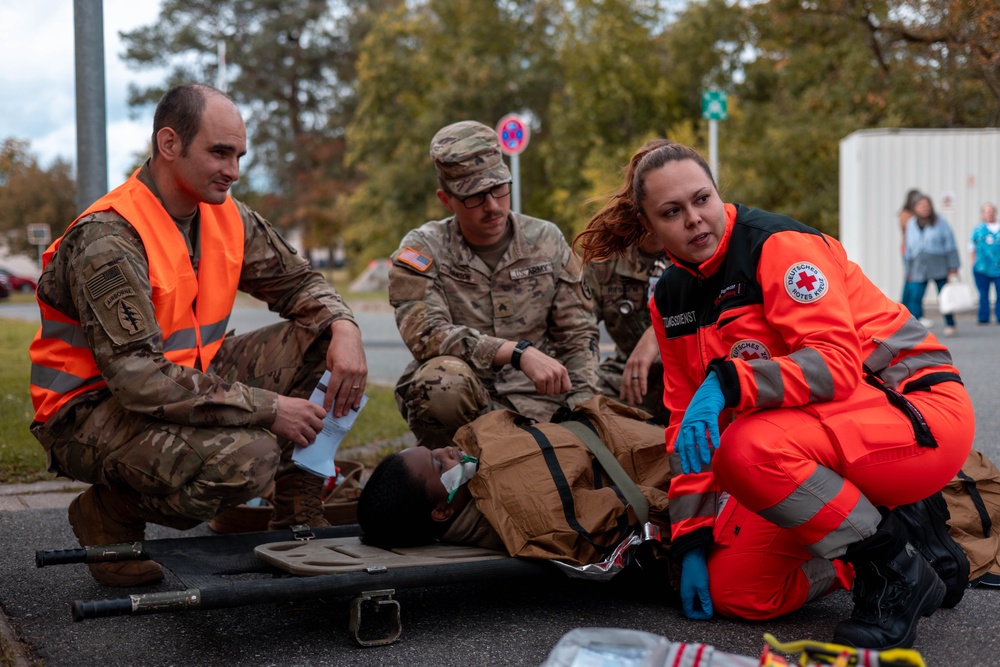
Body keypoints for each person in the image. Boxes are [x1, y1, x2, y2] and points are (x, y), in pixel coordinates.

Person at [575, 140, 975, 649]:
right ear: (649, 228)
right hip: (826, 434)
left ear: (719, 195)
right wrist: (693, 539)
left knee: (747, 446)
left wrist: (726, 382)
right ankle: (903, 547)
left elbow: (836, 365)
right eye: (672, 212)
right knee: (740, 591)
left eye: (702, 200)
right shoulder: (671, 297)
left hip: (918, 413)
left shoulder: (776, 246)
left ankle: (895, 571)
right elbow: (686, 426)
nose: (695, 220)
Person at [28, 84, 368, 587]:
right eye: (219, 152)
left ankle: (297, 509)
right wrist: (271, 408)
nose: (233, 170)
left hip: (185, 379)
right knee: (247, 461)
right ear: (169, 144)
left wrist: (345, 326)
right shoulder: (109, 238)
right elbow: (139, 379)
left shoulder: (224, 214)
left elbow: (300, 282)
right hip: (89, 410)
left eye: (239, 155)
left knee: (324, 338)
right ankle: (109, 514)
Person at [388, 120, 600, 449]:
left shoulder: (546, 240)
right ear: (446, 199)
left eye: (499, 188)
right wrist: (515, 353)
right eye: (474, 196)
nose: (492, 206)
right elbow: (426, 334)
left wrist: (584, 412)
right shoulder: (422, 249)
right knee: (438, 379)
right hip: (466, 404)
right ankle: (455, 476)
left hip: (540, 402)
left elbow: (578, 334)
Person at [357, 395, 671, 568]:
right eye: (439, 463)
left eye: (435, 448)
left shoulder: (476, 459)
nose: (448, 449)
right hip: (658, 457)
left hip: (624, 430)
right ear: (442, 510)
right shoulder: (523, 519)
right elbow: (632, 506)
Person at [581, 140, 671, 418]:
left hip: (699, 372)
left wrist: (657, 331)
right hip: (631, 380)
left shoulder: (701, 245)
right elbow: (576, 330)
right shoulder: (606, 261)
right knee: (579, 404)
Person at [902, 194, 961, 335]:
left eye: (926, 205)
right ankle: (914, 328)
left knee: (944, 296)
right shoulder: (911, 224)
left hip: (938, 264)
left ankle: (950, 324)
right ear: (915, 208)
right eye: (921, 206)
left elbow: (950, 243)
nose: (924, 208)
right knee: (915, 297)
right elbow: (908, 247)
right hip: (918, 265)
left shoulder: (941, 222)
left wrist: (953, 266)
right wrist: (908, 269)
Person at [969, 202, 1000, 324]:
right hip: (982, 267)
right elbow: (971, 247)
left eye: (991, 211)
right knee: (983, 293)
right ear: (983, 214)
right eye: (987, 211)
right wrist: (973, 262)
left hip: (998, 267)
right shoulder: (978, 230)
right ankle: (983, 316)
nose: (990, 213)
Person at [897, 188, 923, 304]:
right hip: (908, 248)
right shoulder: (906, 214)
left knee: (911, 278)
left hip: (912, 248)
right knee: (910, 278)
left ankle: (910, 306)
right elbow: (908, 229)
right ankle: (907, 305)